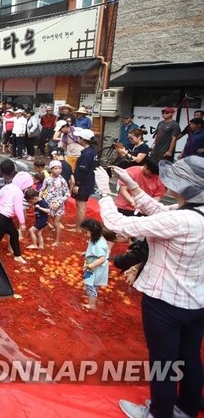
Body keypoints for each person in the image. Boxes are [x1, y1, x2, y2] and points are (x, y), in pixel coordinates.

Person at [94, 159, 204, 418]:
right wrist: (132, 186)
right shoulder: (194, 213)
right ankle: (186, 408)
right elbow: (160, 212)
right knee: (190, 356)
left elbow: (118, 224)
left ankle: (158, 413)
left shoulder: (181, 220)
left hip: (165, 302)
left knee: (163, 362)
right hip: (197, 300)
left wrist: (105, 192)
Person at [0, 171, 33, 264]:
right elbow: (18, 208)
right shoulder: (18, 192)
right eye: (28, 186)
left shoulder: (7, 186)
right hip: (3, 216)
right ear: (24, 183)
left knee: (14, 234)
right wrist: (22, 223)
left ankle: (18, 256)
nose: (28, 188)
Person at [69, 128, 97, 231]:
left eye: (79, 137)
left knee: (81, 205)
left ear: (83, 139)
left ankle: (78, 228)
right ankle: (79, 224)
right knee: (81, 205)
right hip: (88, 182)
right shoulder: (92, 151)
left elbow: (82, 171)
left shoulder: (87, 153)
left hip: (84, 183)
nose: (77, 139)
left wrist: (77, 184)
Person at [79, 218, 109, 311]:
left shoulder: (98, 244)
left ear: (93, 231)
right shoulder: (96, 239)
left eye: (86, 232)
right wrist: (86, 253)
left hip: (95, 269)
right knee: (94, 285)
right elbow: (94, 251)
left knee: (91, 286)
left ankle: (91, 305)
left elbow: (102, 258)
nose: (85, 235)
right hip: (95, 268)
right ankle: (92, 297)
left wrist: (90, 266)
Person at [41, 159, 70, 246]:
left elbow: (67, 193)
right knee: (48, 219)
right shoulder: (47, 179)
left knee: (57, 223)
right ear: (51, 169)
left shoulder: (62, 180)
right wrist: (39, 197)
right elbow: (42, 189)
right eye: (56, 168)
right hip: (48, 203)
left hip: (59, 204)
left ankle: (57, 241)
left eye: (60, 168)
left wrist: (59, 202)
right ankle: (44, 236)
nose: (58, 170)